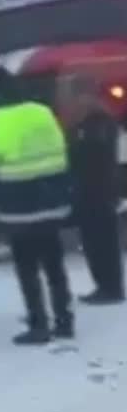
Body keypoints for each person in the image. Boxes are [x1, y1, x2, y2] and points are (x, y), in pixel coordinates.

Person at [0, 67, 73, 345]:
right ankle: (64, 319)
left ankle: (38, 323)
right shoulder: (41, 112)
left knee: (27, 267)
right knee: (54, 264)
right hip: (52, 199)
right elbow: (61, 146)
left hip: (18, 206)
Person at [66, 77, 124, 305]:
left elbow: (90, 156)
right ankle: (105, 284)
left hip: (97, 190)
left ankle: (110, 286)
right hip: (93, 189)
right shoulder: (91, 123)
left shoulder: (96, 123)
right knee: (95, 240)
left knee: (101, 241)